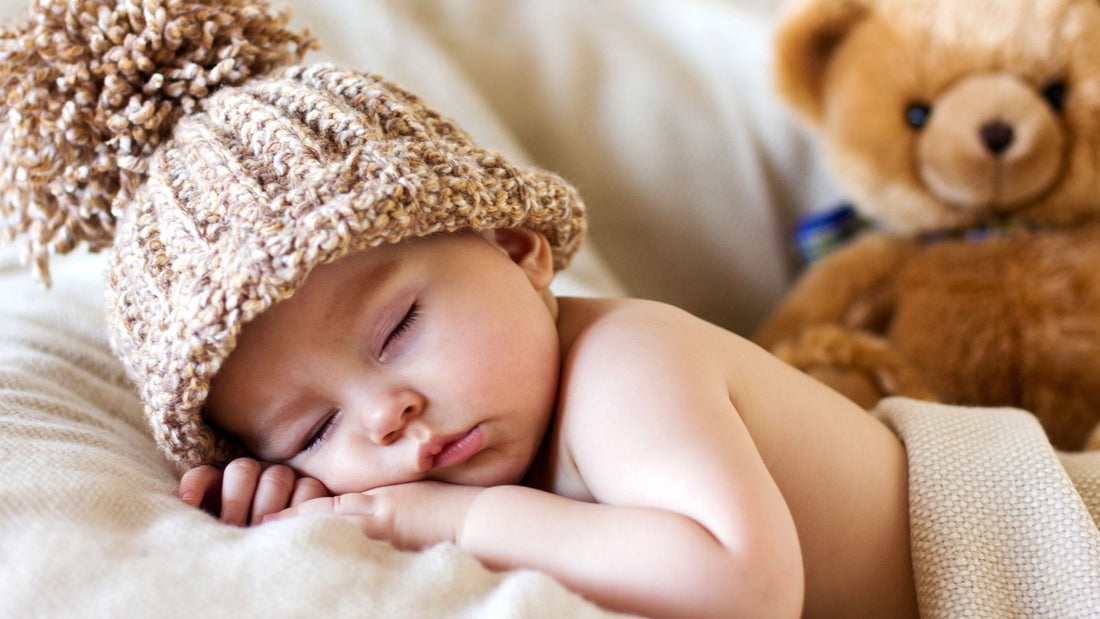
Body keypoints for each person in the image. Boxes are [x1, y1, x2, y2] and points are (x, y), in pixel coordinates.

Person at [0, 0, 916, 617]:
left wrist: (441, 521)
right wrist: (297, 502)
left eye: (398, 329)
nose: (383, 415)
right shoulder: (443, 453)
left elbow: (743, 586)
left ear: (519, 250)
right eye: (312, 429)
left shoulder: (627, 362)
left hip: (1030, 544)